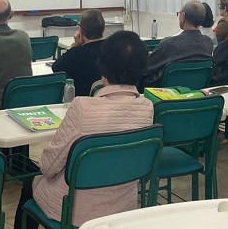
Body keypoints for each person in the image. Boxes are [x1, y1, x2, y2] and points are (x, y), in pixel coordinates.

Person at [15, 31, 154, 228]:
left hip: (75, 209)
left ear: (103, 67)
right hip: (124, 206)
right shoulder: (147, 108)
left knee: (30, 185)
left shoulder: (82, 107)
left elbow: (48, 166)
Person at [140, 0, 213, 89]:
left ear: (183, 16)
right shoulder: (208, 43)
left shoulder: (169, 44)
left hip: (164, 94)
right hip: (196, 93)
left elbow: (147, 66)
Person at [51, 9, 105, 96]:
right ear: (103, 28)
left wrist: (76, 45)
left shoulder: (75, 53)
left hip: (82, 103)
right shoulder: (113, 49)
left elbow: (56, 68)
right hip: (109, 102)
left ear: (81, 30)